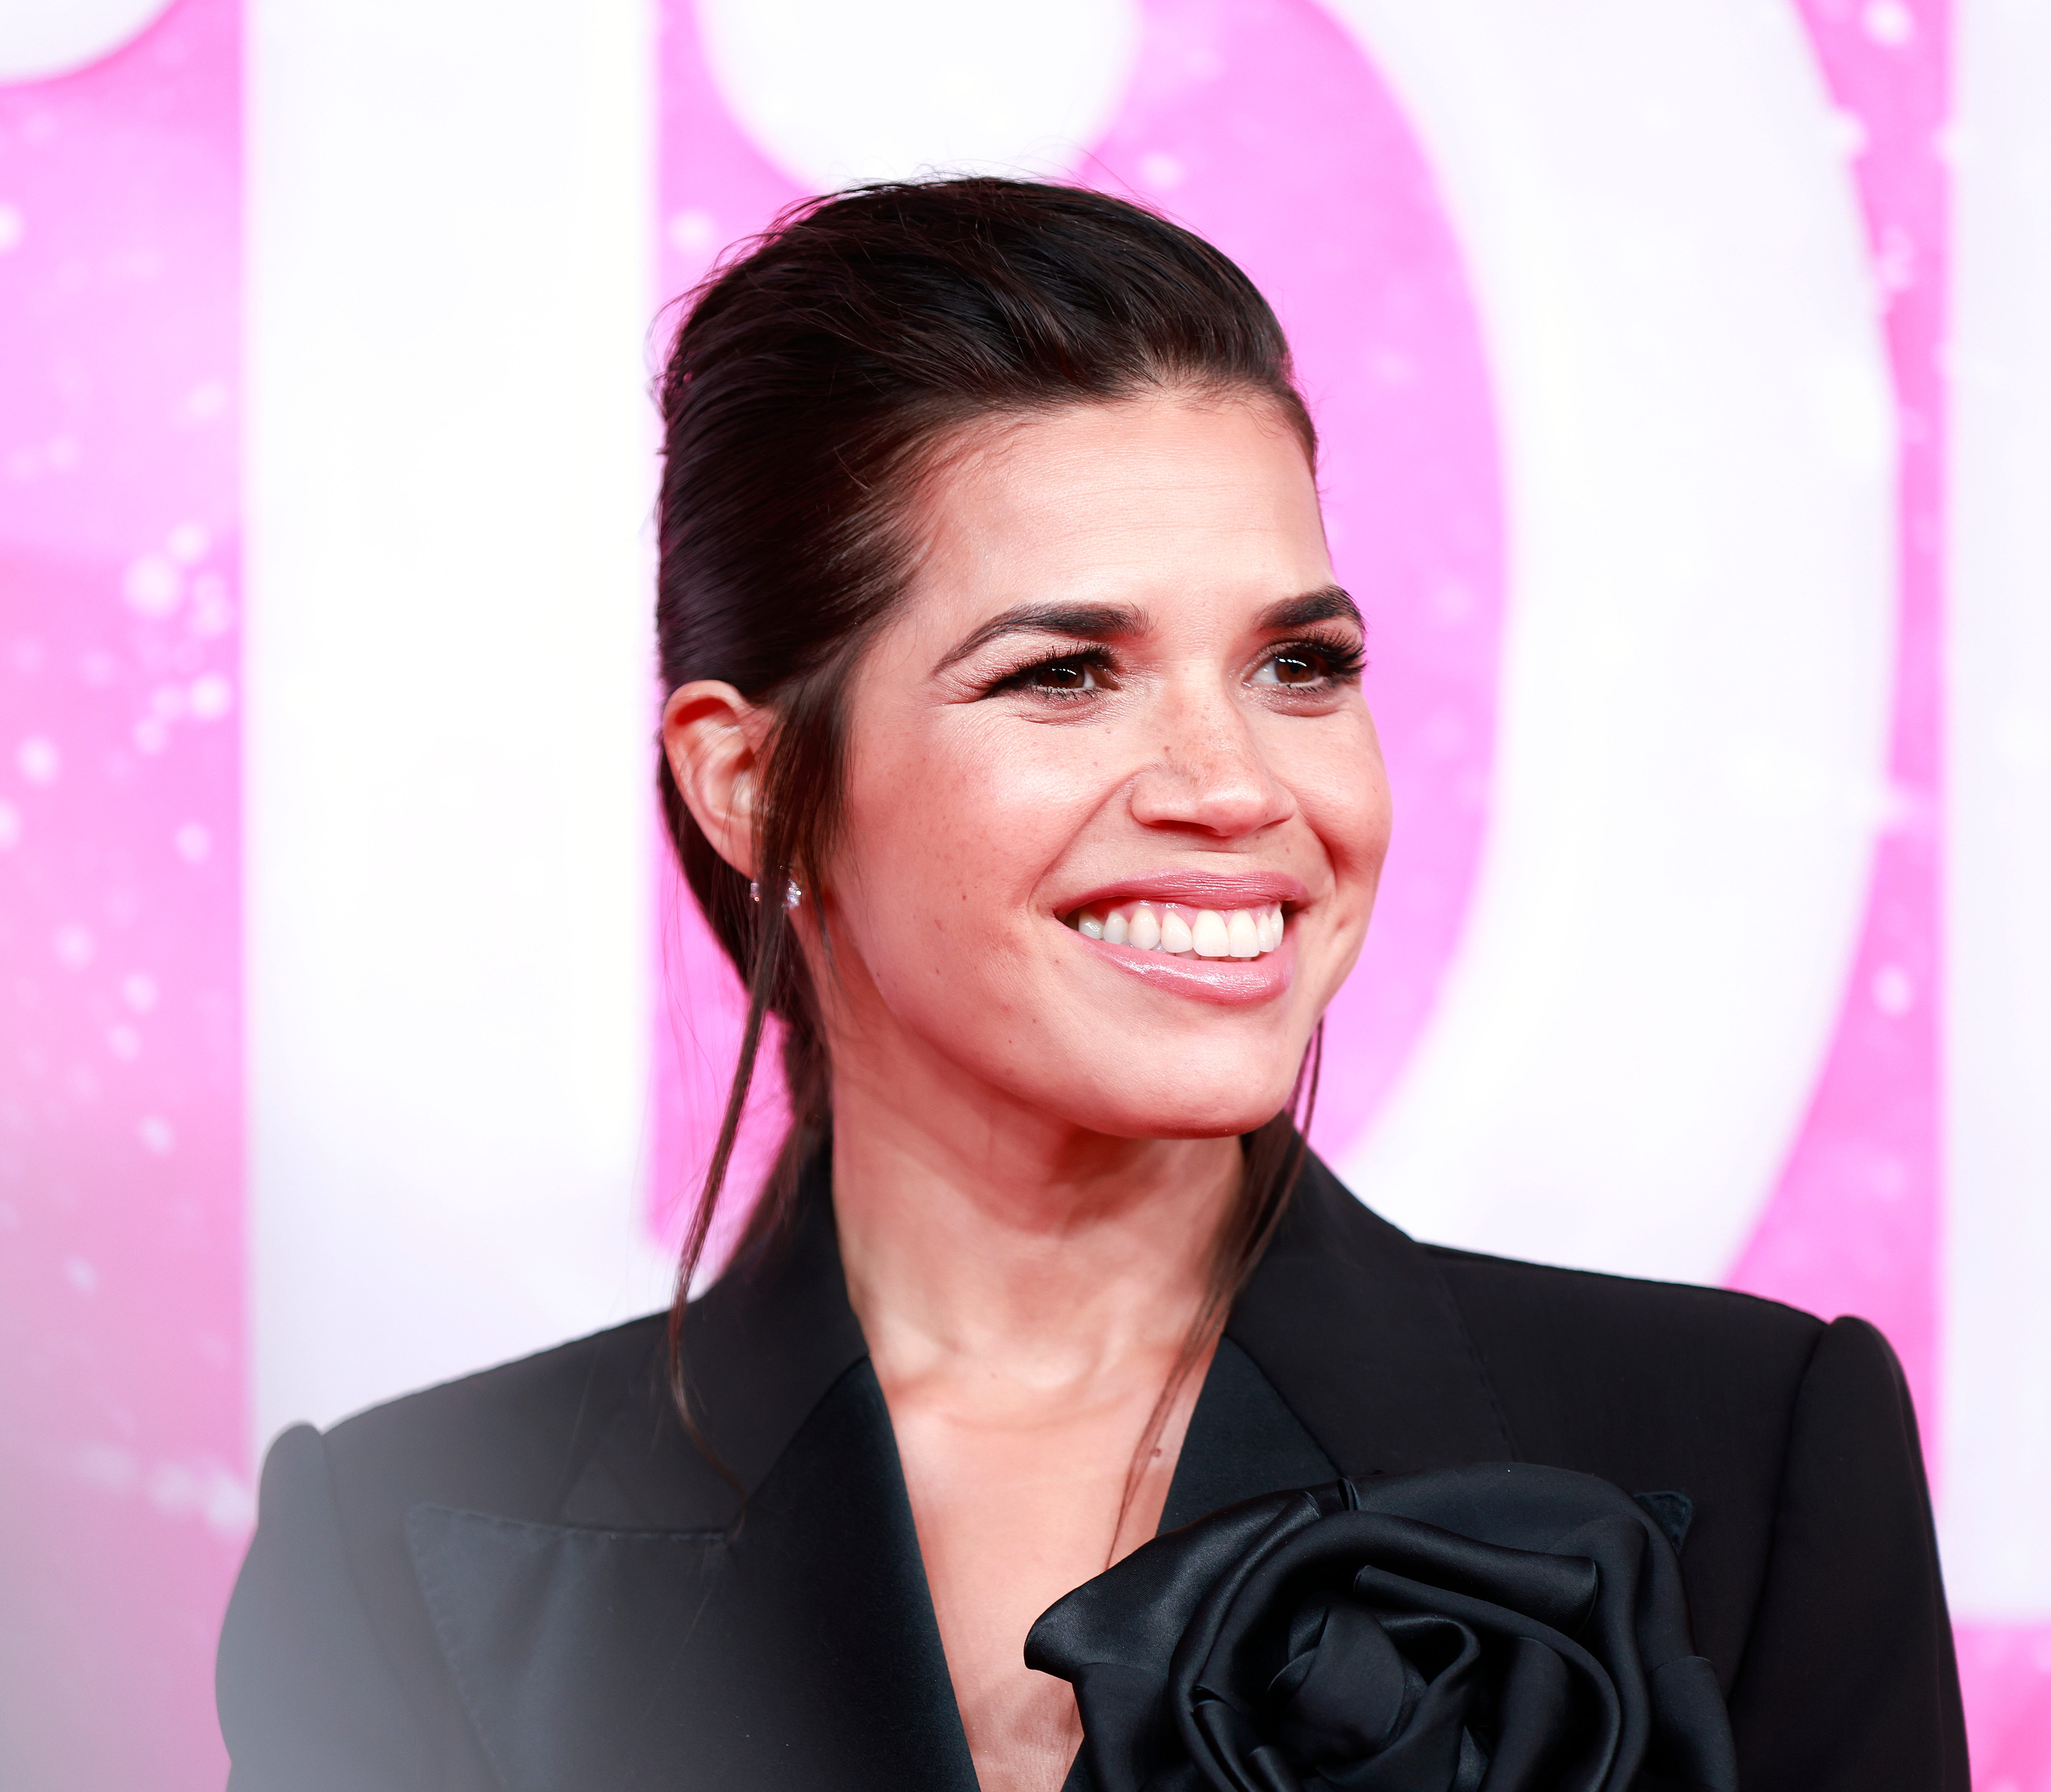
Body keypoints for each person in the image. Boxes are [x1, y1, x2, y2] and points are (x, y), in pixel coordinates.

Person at [216, 179, 1964, 1792]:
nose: (1234, 785)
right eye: (1064, 673)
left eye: (1299, 664)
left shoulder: (1745, 1451)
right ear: (747, 779)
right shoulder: (398, 1551)